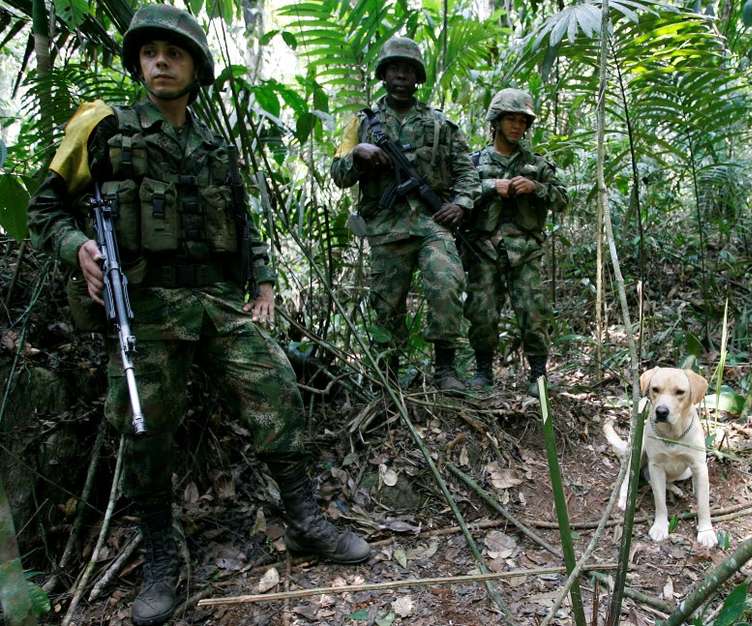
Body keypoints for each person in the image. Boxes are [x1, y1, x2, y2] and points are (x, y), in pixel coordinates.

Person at [26, 5, 369, 625]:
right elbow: (45, 208)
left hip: (214, 300)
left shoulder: (214, 143)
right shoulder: (102, 127)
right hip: (147, 305)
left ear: (194, 68)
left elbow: (241, 224)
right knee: (144, 424)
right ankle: (162, 554)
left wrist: (261, 281)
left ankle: (305, 522)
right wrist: (76, 246)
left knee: (278, 387)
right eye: (151, 52)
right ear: (138, 62)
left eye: (175, 53)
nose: (161, 61)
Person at [330, 37, 480, 393]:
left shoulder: (440, 123)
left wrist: (460, 203)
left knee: (446, 283)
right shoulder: (361, 124)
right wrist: (359, 154)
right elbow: (338, 174)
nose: (401, 75)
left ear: (418, 76)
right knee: (385, 304)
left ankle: (445, 370)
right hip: (385, 226)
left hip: (432, 222)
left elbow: (467, 172)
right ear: (384, 74)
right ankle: (387, 375)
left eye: (408, 69)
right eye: (394, 68)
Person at [463, 88, 568, 397]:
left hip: (526, 252)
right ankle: (483, 372)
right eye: (510, 119)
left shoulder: (537, 165)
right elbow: (456, 199)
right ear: (496, 121)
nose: (517, 127)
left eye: (523, 121)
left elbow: (563, 199)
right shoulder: (473, 163)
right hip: (483, 251)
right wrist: (489, 187)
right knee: (482, 313)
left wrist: (536, 187)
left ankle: (538, 374)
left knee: (533, 312)